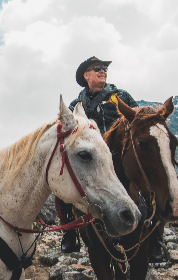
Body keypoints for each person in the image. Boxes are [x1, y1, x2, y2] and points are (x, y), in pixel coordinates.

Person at [61, 56, 165, 262]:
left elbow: (140, 122)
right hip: (91, 160)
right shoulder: (76, 104)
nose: (103, 71)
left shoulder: (122, 96)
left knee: (152, 185)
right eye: (97, 68)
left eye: (105, 68)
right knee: (63, 183)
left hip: (120, 156)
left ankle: (155, 239)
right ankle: (69, 232)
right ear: (86, 75)